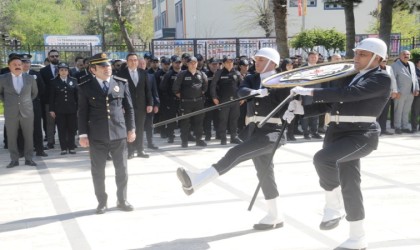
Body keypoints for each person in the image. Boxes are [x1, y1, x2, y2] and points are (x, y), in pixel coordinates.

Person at [288, 38, 391, 250]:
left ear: (378, 58)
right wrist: (300, 111)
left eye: (362, 54)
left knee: (322, 159)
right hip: (336, 133)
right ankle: (357, 237)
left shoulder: (381, 78)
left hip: (360, 135)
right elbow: (332, 103)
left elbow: (350, 95)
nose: (357, 57)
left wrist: (311, 91)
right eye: (357, 53)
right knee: (351, 185)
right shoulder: (353, 77)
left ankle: (333, 206)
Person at [176, 48, 291, 230]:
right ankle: (275, 215)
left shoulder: (282, 80)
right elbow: (241, 90)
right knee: (265, 173)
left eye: (261, 60)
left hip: (272, 132)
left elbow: (289, 98)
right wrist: (255, 92)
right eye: (256, 59)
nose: (257, 63)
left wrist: (282, 93)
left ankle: (196, 181)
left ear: (273, 63)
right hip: (254, 131)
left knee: (235, 153)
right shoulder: (253, 78)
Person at [78, 53, 136, 214]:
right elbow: (82, 112)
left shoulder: (121, 83)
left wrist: (132, 129)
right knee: (98, 171)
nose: (107, 68)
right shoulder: (85, 86)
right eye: (102, 66)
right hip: (97, 135)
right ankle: (102, 201)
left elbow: (130, 108)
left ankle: (122, 199)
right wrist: (83, 134)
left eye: (108, 65)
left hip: (119, 133)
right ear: (92, 69)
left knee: (122, 169)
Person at [0, 56, 38, 168]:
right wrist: (8, 102)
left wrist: (25, 102)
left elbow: (34, 93)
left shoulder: (30, 78)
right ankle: (14, 160)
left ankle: (29, 159)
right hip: (11, 112)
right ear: (9, 66)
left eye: (19, 65)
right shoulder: (2, 78)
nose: (17, 67)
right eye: (15, 65)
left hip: (27, 112)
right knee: (11, 137)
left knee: (29, 136)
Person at [117, 54, 152, 159]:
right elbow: (118, 91)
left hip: (141, 105)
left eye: (135, 60)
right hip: (127, 106)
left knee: (140, 128)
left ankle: (140, 149)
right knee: (129, 128)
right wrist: (121, 105)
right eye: (131, 60)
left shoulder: (143, 73)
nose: (133, 62)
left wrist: (150, 103)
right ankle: (130, 150)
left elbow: (147, 90)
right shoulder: (121, 73)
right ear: (127, 62)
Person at [172, 56, 208, 148]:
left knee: (199, 122)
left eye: (194, 63)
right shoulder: (182, 74)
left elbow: (205, 86)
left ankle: (199, 140)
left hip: (198, 102)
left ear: (197, 64)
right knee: (185, 122)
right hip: (186, 102)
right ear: (187, 64)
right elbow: (175, 89)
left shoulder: (201, 74)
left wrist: (199, 94)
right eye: (191, 63)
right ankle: (184, 141)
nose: (193, 64)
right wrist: (184, 97)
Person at [210, 55, 243, 145]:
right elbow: (213, 86)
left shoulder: (237, 73)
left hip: (235, 101)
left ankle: (233, 137)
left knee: (234, 119)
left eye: (231, 62)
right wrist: (214, 97)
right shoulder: (219, 73)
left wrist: (242, 98)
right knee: (223, 120)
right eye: (227, 62)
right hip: (223, 100)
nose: (229, 64)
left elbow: (242, 86)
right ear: (224, 63)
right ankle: (223, 138)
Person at [20, 53, 48, 157]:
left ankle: (40, 150)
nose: (26, 64)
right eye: (23, 62)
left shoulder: (36, 74)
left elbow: (42, 88)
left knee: (37, 127)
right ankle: (22, 151)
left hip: (34, 104)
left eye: (27, 62)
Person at [49, 63, 78, 155]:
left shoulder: (73, 81)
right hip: (59, 110)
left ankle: (72, 147)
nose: (63, 72)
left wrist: (78, 109)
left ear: (68, 71)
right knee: (61, 129)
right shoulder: (53, 81)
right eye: (61, 70)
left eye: (65, 70)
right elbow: (51, 97)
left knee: (72, 129)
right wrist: (51, 110)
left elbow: (77, 96)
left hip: (72, 109)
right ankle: (63, 148)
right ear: (58, 72)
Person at [391, 50, 419, 134]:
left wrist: (416, 88)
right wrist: (396, 91)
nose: (406, 56)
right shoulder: (395, 65)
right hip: (400, 93)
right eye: (404, 54)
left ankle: (405, 127)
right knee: (398, 110)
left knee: (406, 111)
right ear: (400, 56)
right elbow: (393, 79)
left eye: (408, 54)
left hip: (411, 92)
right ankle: (397, 127)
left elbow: (414, 78)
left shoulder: (412, 64)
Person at [40, 49, 60, 149]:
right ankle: (50, 142)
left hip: (63, 101)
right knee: (50, 123)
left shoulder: (65, 68)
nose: (54, 58)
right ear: (49, 58)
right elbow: (42, 87)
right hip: (49, 101)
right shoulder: (43, 71)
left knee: (63, 122)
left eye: (56, 56)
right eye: (52, 56)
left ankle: (65, 141)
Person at [159, 56, 182, 143]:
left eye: (179, 62)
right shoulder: (168, 74)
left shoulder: (183, 73)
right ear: (172, 63)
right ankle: (170, 136)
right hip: (171, 101)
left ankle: (185, 135)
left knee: (184, 119)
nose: (178, 64)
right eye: (176, 62)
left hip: (181, 100)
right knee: (171, 119)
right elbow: (162, 88)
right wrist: (167, 100)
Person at [300, 51, 323, 139]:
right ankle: (306, 132)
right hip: (305, 94)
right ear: (308, 58)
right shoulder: (302, 68)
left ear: (317, 58)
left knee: (316, 113)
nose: (313, 58)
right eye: (311, 57)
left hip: (317, 93)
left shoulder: (321, 68)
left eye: (315, 57)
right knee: (305, 114)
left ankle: (315, 132)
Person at [377, 57, 398, 135]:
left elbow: (393, 79)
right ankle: (376, 130)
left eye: (386, 59)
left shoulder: (389, 68)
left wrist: (395, 91)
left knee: (385, 112)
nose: (384, 61)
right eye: (383, 59)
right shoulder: (375, 68)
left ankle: (383, 129)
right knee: (377, 112)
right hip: (377, 94)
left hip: (387, 94)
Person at [411, 58, 420, 132]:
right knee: (415, 111)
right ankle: (414, 127)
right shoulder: (414, 71)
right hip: (417, 94)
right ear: (417, 63)